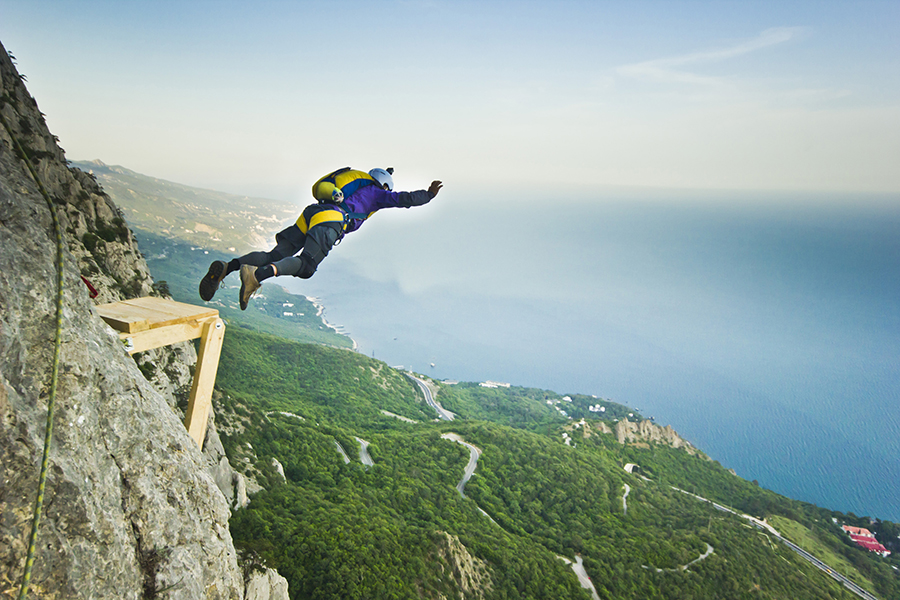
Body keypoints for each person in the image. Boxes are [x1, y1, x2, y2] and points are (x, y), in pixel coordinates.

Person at [199, 167, 442, 310]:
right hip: (332, 220)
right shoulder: (377, 192)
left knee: (274, 254)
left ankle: (228, 267)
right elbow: (403, 199)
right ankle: (257, 276)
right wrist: (428, 195)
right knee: (306, 266)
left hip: (312, 213)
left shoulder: (352, 184)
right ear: (384, 185)